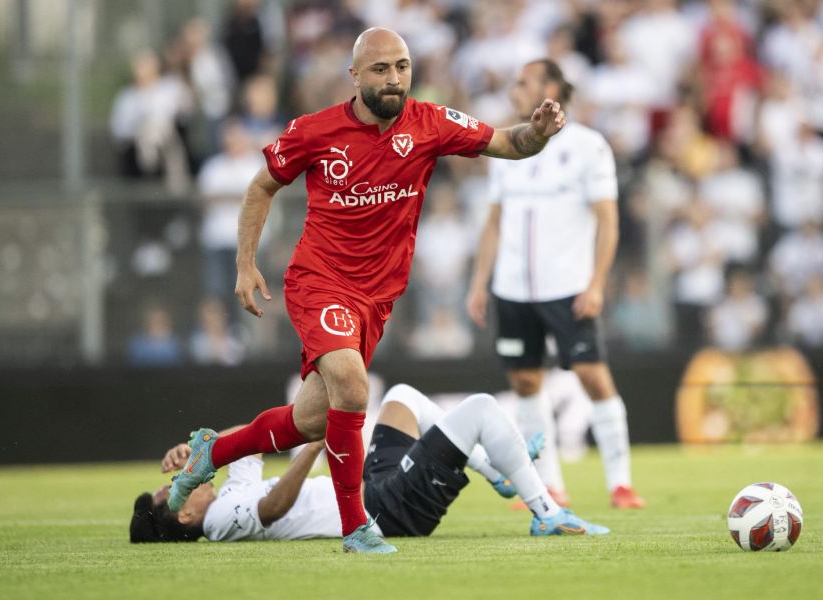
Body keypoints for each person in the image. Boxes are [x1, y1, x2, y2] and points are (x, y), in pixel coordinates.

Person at [167, 27, 568, 554]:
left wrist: (537, 132)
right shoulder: (315, 130)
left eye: (402, 66)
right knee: (354, 389)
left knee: (310, 420)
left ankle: (210, 454)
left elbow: (506, 142)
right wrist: (245, 264)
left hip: (375, 300)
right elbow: (262, 185)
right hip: (319, 282)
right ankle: (357, 527)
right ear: (355, 76)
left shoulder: (431, 122)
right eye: (380, 69)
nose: (394, 77)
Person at [466, 59, 645, 510]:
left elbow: (608, 221)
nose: (513, 91)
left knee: (592, 375)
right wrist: (479, 283)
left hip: (568, 286)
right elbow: (494, 222)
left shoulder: (589, 146)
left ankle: (620, 483)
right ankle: (549, 486)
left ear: (549, 88)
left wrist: (597, 283)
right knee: (526, 382)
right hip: (512, 289)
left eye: (522, 82)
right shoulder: (507, 146)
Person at [131, 384, 609, 543]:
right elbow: (273, 508)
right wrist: (315, 445)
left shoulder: (221, 498)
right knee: (481, 408)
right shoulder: (216, 521)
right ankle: (545, 513)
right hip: (387, 511)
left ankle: (497, 473)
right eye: (174, 491)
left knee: (400, 397)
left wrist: (199, 449)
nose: (179, 482)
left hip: (372, 489)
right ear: (186, 515)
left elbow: (248, 445)